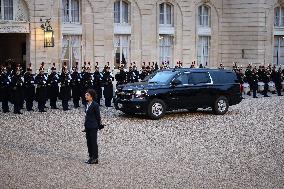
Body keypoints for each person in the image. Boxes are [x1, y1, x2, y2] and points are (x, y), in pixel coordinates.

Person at [84, 89, 101, 165]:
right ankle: (91, 157)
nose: (86, 96)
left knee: (93, 142)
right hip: (87, 126)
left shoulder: (95, 105)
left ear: (92, 96)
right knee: (89, 142)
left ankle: (95, 158)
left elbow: (98, 116)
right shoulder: (87, 104)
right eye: (86, 95)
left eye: (87, 95)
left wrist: (98, 125)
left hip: (93, 126)